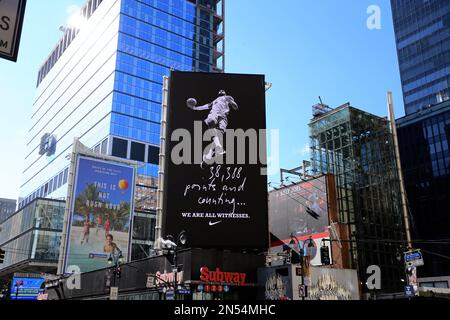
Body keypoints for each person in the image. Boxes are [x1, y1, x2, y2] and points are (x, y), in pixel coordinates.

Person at [187, 90, 239, 166]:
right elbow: (205, 106)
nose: (221, 92)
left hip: (223, 116)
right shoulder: (215, 101)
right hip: (215, 114)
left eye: (222, 91)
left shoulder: (227, 97)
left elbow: (235, 106)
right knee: (211, 123)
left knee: (219, 136)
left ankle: (208, 157)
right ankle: (218, 149)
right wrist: (195, 108)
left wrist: (232, 103)